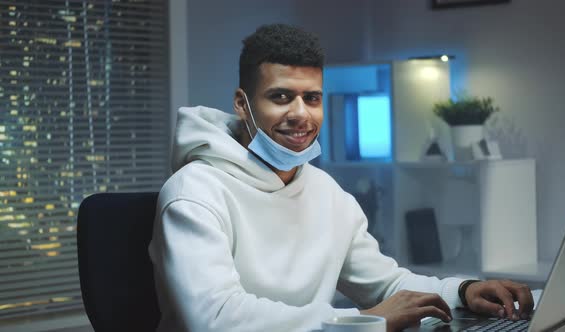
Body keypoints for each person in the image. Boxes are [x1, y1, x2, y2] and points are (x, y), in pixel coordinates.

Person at [148, 23, 533, 332]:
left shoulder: (325, 192)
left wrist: (463, 291)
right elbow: (214, 318)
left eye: (312, 98)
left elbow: (385, 285)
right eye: (281, 97)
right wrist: (365, 322)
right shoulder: (194, 193)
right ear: (241, 104)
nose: (301, 114)